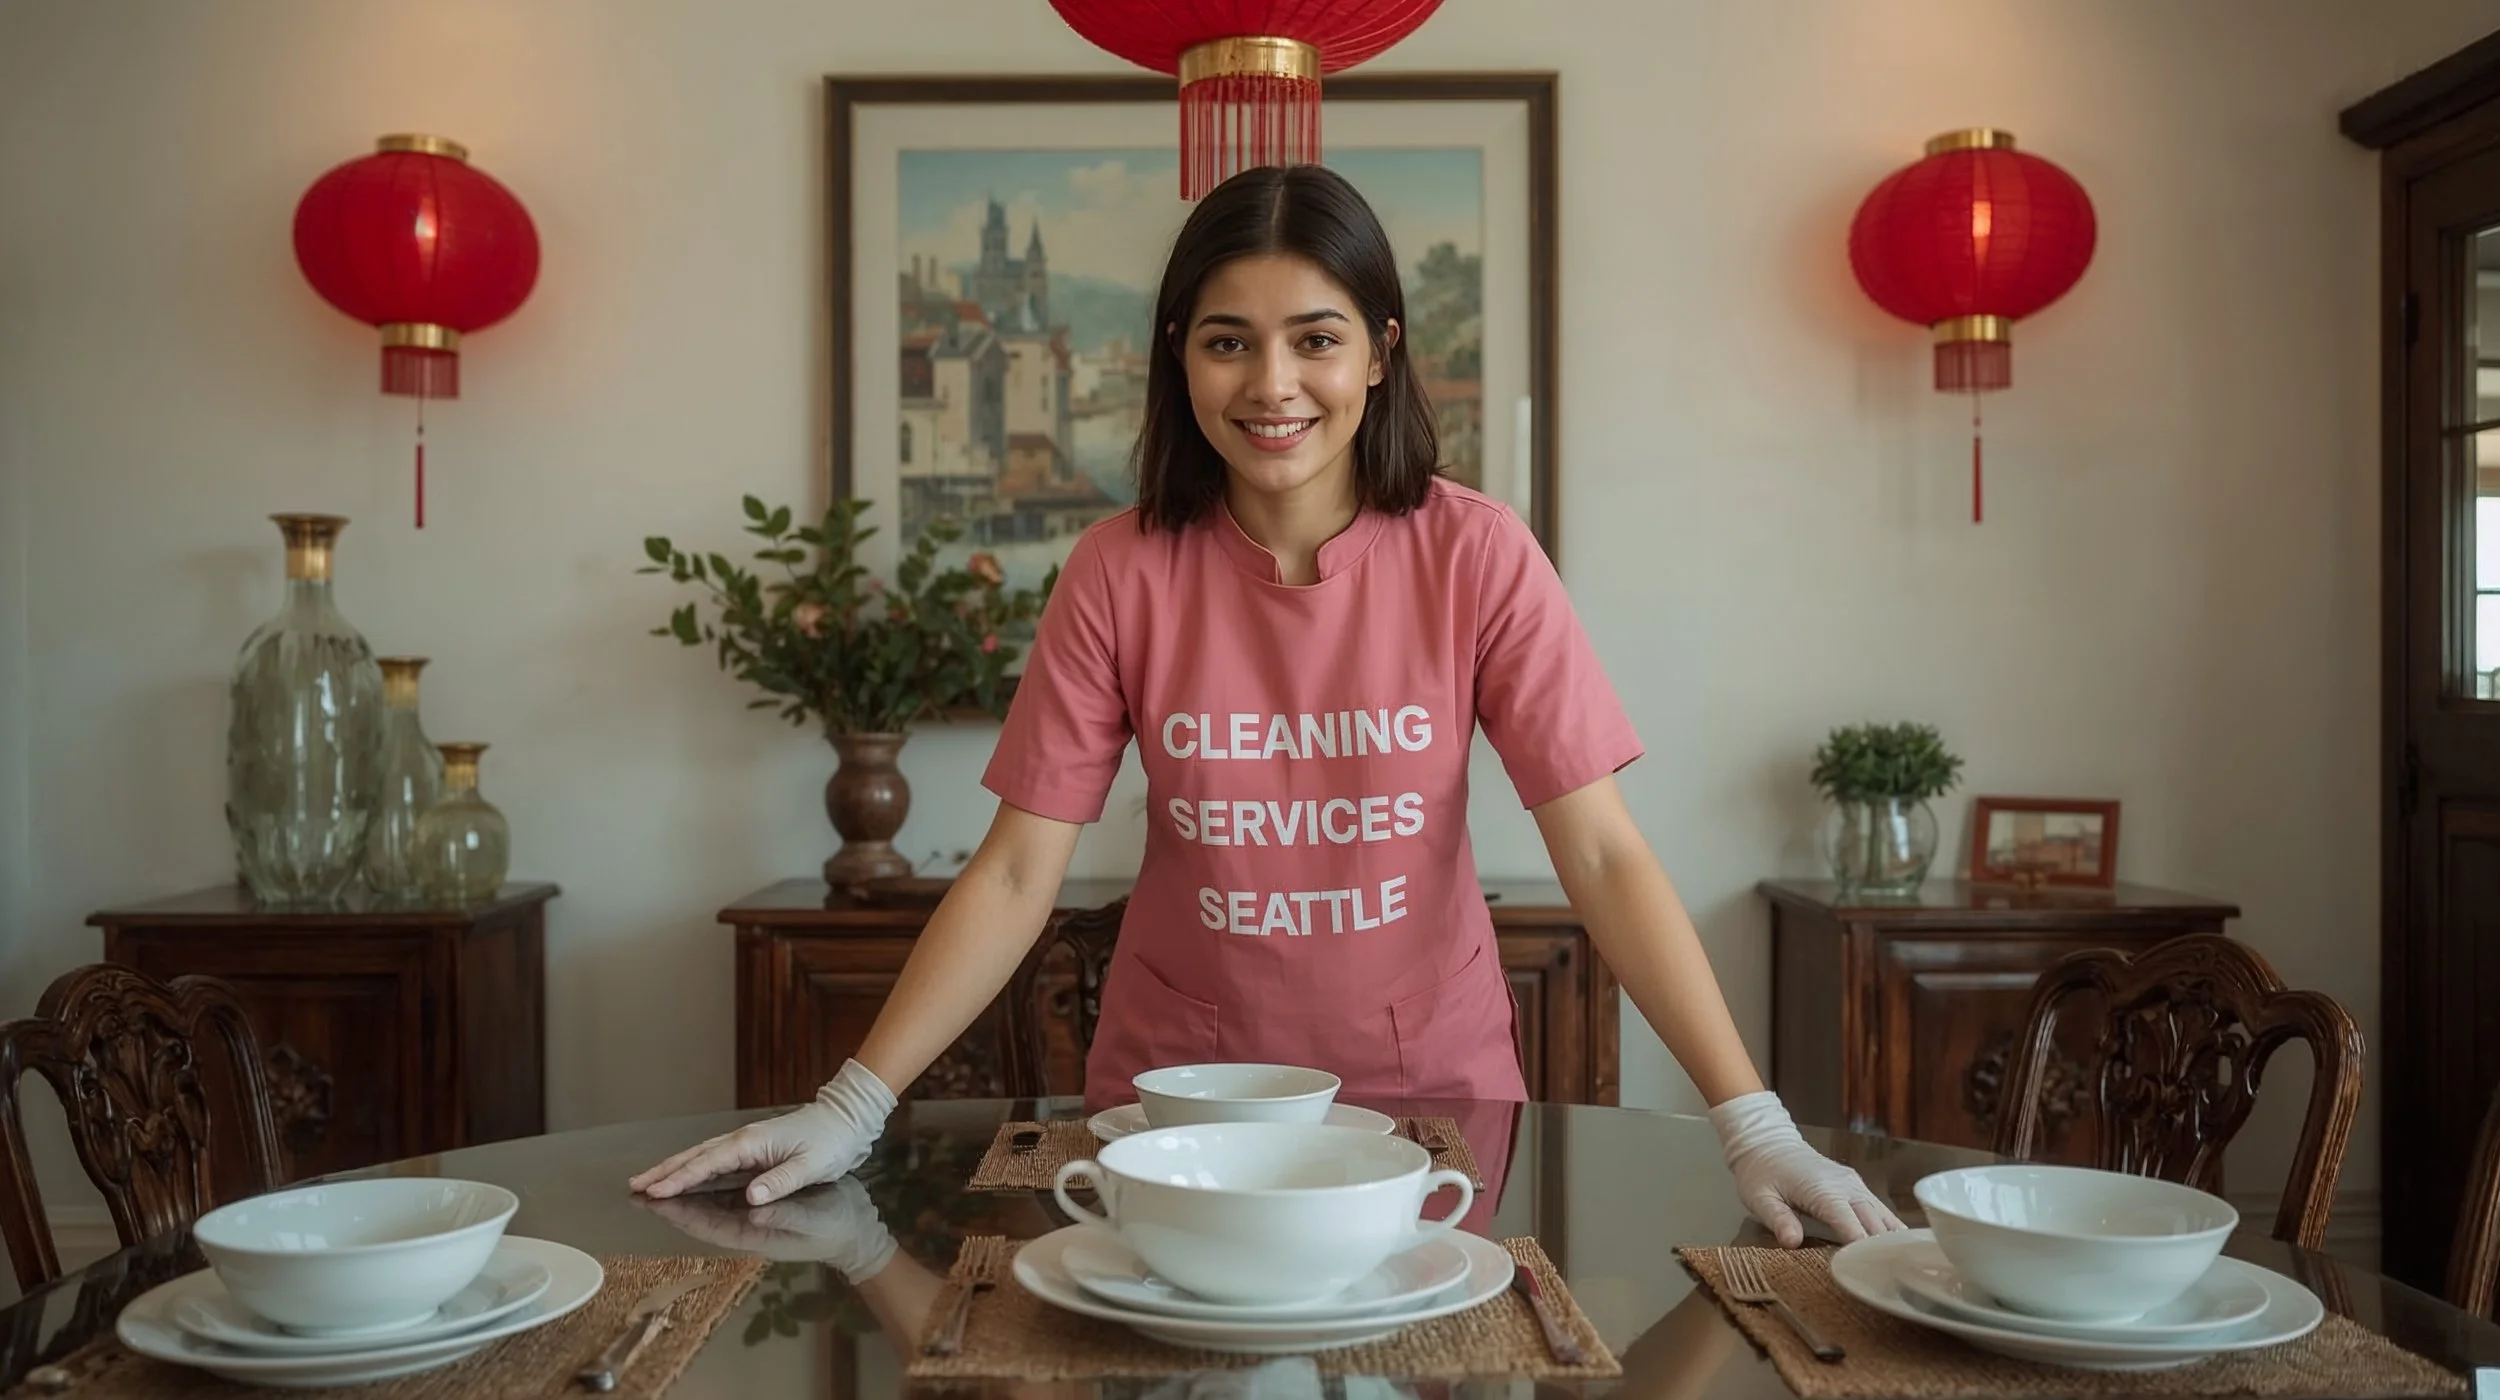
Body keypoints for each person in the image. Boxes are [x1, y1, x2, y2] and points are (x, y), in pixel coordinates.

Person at [632, 164, 1902, 1249]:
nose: (1272, 382)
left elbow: (1604, 851)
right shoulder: (1118, 570)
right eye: (1227, 339)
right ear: (1178, 354)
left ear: (1381, 350)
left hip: (1434, 1103)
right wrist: (850, 1106)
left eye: (1316, 338)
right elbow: (1018, 869)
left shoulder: (1477, 555)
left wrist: (1753, 1123)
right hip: (1175, 1108)